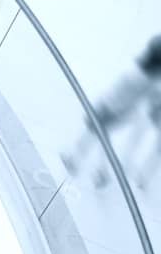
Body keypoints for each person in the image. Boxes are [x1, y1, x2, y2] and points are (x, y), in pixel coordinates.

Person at [63, 35, 161, 188]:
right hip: (116, 106)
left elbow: (124, 93)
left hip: (113, 107)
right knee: (99, 135)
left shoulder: (144, 78)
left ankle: (84, 163)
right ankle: (91, 167)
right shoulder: (149, 77)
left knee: (96, 133)